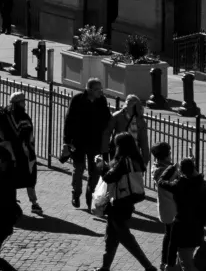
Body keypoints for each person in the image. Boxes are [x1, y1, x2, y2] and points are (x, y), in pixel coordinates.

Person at [95, 130, 157, 271]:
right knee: (111, 237)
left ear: (120, 146)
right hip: (127, 201)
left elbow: (109, 177)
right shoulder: (136, 159)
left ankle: (149, 267)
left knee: (125, 238)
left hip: (119, 203)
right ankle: (105, 267)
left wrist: (101, 166)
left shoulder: (123, 161)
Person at [65, 76, 113, 208]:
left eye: (101, 89)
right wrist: (67, 141)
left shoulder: (101, 101)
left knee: (95, 172)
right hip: (78, 142)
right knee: (78, 169)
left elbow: (107, 117)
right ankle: (76, 194)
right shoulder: (77, 99)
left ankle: (90, 197)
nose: (101, 91)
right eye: (98, 89)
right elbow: (68, 120)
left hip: (95, 143)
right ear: (89, 89)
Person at [165, 156, 206, 271]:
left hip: (183, 231)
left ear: (182, 171)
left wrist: (172, 169)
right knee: (183, 260)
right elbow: (195, 176)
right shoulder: (202, 185)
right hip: (197, 228)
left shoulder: (180, 185)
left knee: (187, 264)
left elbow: (161, 182)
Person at [4, 90, 42, 215]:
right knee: (29, 177)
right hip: (24, 153)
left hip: (10, 152)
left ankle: (12, 200)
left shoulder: (6, 114)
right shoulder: (23, 117)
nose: (25, 104)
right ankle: (34, 203)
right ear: (18, 103)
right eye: (23, 102)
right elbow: (26, 134)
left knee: (12, 178)